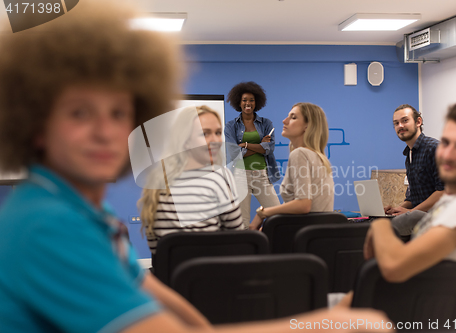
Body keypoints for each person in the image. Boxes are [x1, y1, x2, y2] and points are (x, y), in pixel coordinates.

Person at [0, 1, 391, 332]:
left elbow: (152, 291)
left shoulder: (86, 210)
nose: (105, 131)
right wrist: (325, 323)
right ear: (36, 123)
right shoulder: (46, 224)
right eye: (80, 113)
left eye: (119, 112)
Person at [364, 102, 456, 283]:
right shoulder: (454, 202)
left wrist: (379, 227)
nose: (447, 154)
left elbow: (395, 267)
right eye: (446, 142)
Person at [138, 106, 245, 256]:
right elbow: (237, 241)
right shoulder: (219, 177)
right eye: (205, 134)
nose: (215, 140)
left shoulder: (155, 181)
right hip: (213, 274)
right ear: (185, 141)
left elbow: (157, 249)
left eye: (218, 133)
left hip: (170, 276)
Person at [250, 103, 334, 230]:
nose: (285, 121)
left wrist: (263, 213)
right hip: (315, 237)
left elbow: (303, 204)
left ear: (307, 126)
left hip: (301, 236)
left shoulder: (300, 154)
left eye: (293, 117)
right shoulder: (319, 157)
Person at [225, 82, 281, 228]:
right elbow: (234, 153)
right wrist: (260, 146)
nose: (248, 103)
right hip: (239, 175)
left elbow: (269, 148)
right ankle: (243, 249)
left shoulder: (266, 124)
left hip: (262, 174)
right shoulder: (231, 126)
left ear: (257, 103)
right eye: (244, 100)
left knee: (277, 214)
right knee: (241, 220)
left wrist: (246, 145)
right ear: (239, 102)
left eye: (251, 100)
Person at [385, 104, 445, 235]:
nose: (400, 126)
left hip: (438, 219)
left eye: (405, 120)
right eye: (396, 123)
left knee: (389, 231)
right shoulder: (409, 154)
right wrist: (398, 209)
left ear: (418, 122)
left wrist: (411, 213)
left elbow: (443, 191)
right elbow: (414, 197)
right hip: (420, 219)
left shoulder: (434, 149)